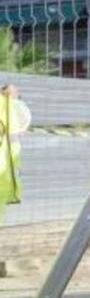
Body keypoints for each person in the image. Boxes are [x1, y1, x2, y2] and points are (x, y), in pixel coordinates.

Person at [0, 84, 29, 223]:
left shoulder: (15, 105)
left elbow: (25, 119)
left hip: (11, 148)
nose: (17, 92)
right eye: (14, 90)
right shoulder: (6, 104)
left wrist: (22, 128)